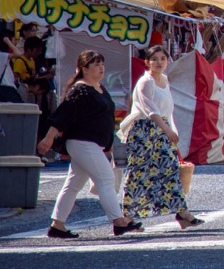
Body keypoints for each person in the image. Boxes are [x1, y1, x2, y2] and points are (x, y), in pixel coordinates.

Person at [38, 51, 143, 239]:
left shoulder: (98, 87)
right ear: (84, 69)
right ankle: (118, 221)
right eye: (95, 64)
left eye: (102, 63)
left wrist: (108, 144)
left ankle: (57, 224)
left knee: (73, 184)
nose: (101, 67)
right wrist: (48, 138)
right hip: (82, 141)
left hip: (92, 143)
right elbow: (63, 115)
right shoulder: (81, 89)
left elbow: (106, 118)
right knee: (105, 178)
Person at [119, 46, 203, 229]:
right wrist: (167, 129)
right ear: (147, 62)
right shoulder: (145, 82)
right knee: (139, 174)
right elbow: (150, 110)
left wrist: (172, 129)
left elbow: (168, 109)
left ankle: (182, 213)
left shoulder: (164, 80)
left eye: (163, 58)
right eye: (154, 59)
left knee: (170, 170)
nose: (159, 62)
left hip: (161, 129)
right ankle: (127, 217)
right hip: (144, 131)